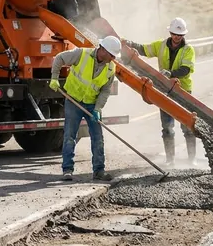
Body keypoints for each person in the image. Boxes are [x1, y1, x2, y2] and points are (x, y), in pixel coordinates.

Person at [122, 17, 197, 165]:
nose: (177, 37)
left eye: (180, 35)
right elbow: (144, 49)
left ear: (183, 35)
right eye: (175, 34)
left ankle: (192, 160)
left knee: (188, 127)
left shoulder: (188, 49)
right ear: (170, 32)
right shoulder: (161, 45)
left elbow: (186, 69)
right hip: (164, 91)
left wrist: (171, 73)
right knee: (167, 127)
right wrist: (129, 43)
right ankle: (170, 160)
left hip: (183, 92)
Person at [49, 35, 121, 181]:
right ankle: (67, 170)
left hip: (92, 104)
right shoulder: (82, 54)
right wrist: (54, 78)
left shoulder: (111, 68)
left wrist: (98, 108)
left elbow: (105, 90)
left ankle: (99, 171)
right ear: (104, 50)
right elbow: (59, 58)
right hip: (73, 101)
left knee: (98, 138)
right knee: (70, 136)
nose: (113, 58)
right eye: (112, 55)